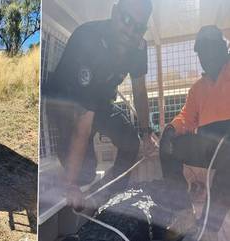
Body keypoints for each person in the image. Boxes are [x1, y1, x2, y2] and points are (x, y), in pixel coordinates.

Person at [44, 0, 155, 211]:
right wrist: (71, 185)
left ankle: (112, 196)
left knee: (132, 141)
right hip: (66, 99)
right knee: (85, 174)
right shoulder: (89, 40)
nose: (130, 30)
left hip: (99, 99)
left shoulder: (139, 47)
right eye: (126, 19)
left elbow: (140, 91)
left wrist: (146, 133)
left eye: (138, 27)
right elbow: (82, 126)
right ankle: (65, 155)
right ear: (115, 12)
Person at [159, 25, 230, 241]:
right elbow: (186, 118)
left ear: (223, 47)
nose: (205, 56)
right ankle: (183, 212)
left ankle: (209, 226)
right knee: (167, 145)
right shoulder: (197, 88)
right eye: (201, 52)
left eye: (210, 48)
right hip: (208, 144)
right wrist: (171, 129)